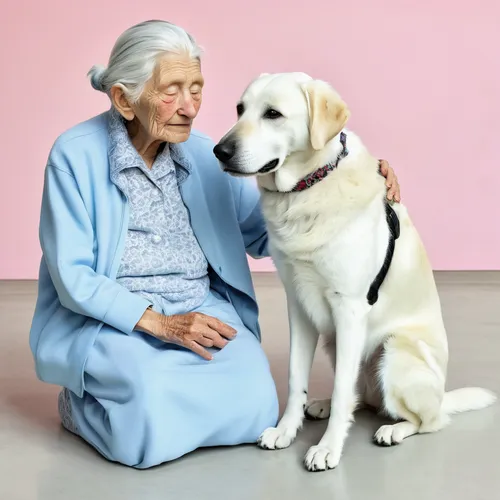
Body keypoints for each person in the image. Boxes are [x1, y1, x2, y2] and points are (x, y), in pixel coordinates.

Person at [29, 20, 401, 469]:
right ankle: (80, 408)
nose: (189, 107)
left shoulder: (206, 155)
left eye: (197, 88)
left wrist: (352, 181)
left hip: (201, 306)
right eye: (171, 90)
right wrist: (160, 325)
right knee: (144, 429)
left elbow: (267, 235)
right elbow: (73, 277)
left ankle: (148, 401)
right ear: (124, 99)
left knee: (259, 406)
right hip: (114, 316)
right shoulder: (73, 156)